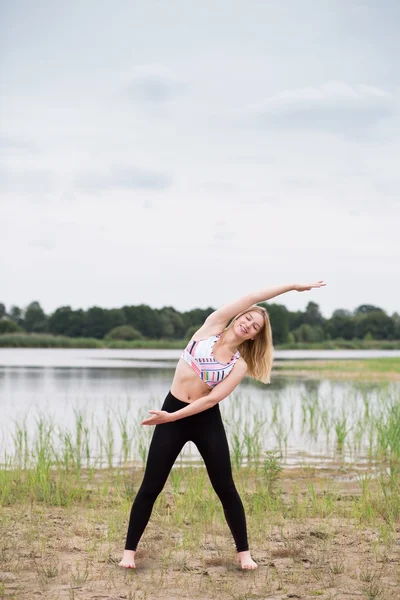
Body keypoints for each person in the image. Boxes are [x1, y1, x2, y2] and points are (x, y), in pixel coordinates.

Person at [119, 281, 326, 570]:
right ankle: (129, 552)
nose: (248, 325)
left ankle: (244, 554)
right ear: (239, 315)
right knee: (151, 486)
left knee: (225, 487)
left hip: (203, 420)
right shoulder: (210, 327)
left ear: (255, 337)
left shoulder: (239, 365)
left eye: (254, 327)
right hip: (172, 409)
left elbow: (210, 400)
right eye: (247, 318)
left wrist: (171, 418)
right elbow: (254, 295)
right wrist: (292, 287)